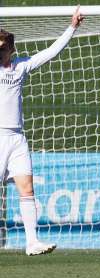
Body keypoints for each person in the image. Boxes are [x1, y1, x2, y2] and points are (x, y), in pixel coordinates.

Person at [0, 6, 84, 256]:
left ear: (11, 49)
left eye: (3, 47)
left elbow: (50, 52)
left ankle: (32, 242)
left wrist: (72, 27)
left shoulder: (21, 66)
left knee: (27, 189)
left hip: (17, 138)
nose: (0, 51)